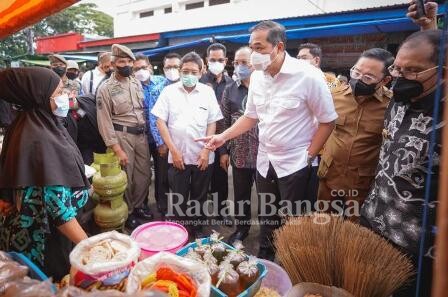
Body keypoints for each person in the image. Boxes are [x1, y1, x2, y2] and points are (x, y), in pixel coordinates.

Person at [199, 21, 337, 260]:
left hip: (296, 162)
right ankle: (265, 256)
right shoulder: (258, 78)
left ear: (279, 46)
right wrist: (221, 137)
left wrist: (309, 156)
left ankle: (292, 261)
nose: (254, 55)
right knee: (267, 213)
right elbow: (251, 117)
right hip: (265, 159)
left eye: (259, 48)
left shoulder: (308, 76)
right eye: (252, 48)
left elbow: (328, 121)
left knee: (293, 218)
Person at [361, 29, 443, 297]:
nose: (399, 77)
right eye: (397, 68)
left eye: (412, 71)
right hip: (374, 219)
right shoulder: (399, 99)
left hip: (417, 246)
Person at [0, 67, 90, 281]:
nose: (65, 96)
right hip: (45, 243)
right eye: (58, 92)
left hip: (27, 234)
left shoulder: (28, 124)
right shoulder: (40, 141)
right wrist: (91, 248)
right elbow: (60, 213)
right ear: (39, 95)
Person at [152, 51, 223, 238]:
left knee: (199, 195)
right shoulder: (169, 92)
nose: (188, 75)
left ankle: (197, 229)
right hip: (178, 156)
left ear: (201, 72)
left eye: (193, 71)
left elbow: (212, 122)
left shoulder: (207, 92)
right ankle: (181, 231)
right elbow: (160, 121)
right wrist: (173, 151)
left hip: (203, 156)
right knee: (179, 196)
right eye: (185, 71)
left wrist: (207, 152)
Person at [317, 48, 394, 221]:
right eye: (356, 72)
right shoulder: (333, 96)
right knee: (324, 222)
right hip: (329, 175)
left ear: (385, 80)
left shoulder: (391, 106)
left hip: (362, 181)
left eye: (368, 78)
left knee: (355, 228)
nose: (358, 79)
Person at [96, 44, 152, 230]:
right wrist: (116, 148)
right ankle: (128, 213)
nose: (127, 65)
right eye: (122, 61)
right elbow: (104, 121)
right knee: (126, 175)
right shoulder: (106, 88)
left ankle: (138, 206)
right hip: (122, 136)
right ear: (113, 64)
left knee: (144, 175)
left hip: (141, 134)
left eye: (129, 61)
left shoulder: (135, 82)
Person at [219, 46, 258, 244]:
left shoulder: (266, 86)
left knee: (268, 196)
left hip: (265, 155)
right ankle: (242, 229)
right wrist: (224, 151)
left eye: (244, 62)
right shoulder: (230, 90)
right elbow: (224, 121)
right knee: (241, 195)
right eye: (236, 62)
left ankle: (270, 234)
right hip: (240, 154)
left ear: (255, 63)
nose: (239, 66)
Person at [200, 43, 234, 223]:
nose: (216, 63)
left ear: (226, 61)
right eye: (212, 60)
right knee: (202, 178)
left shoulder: (231, 84)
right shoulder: (199, 82)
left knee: (221, 178)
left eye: (220, 60)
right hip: (203, 138)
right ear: (207, 60)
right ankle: (201, 212)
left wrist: (224, 150)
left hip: (223, 139)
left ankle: (221, 210)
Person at [133, 54, 169, 219]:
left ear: (149, 67)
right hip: (140, 138)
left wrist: (163, 140)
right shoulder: (131, 86)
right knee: (142, 174)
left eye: (143, 67)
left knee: (162, 174)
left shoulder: (163, 82)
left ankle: (162, 205)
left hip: (161, 137)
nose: (140, 71)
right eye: (136, 69)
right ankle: (142, 205)